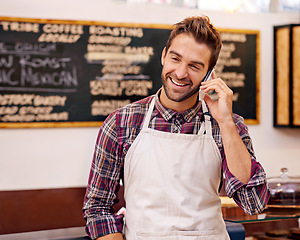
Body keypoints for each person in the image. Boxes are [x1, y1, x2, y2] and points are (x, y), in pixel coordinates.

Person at [83, 15, 270, 240]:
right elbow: (98, 208)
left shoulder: (228, 125)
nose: (181, 73)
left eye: (195, 66)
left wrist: (226, 122)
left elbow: (253, 203)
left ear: (209, 74)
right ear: (163, 56)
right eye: (176, 58)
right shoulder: (121, 123)